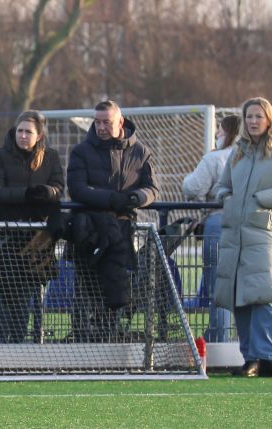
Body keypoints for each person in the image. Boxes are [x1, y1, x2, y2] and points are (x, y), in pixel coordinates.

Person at [214, 97, 272, 377]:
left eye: (259, 116)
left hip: (265, 233)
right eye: (249, 116)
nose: (253, 121)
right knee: (239, 294)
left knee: (264, 294)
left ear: (269, 119)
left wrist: (263, 199)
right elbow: (222, 185)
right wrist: (226, 198)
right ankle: (250, 359)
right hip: (235, 235)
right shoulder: (238, 151)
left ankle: (268, 357)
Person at [67, 100, 158, 342]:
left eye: (106, 122)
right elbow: (77, 189)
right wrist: (112, 199)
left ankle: (112, 336)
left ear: (120, 122)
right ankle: (83, 339)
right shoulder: (81, 151)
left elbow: (152, 189)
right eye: (97, 122)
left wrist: (136, 198)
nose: (101, 127)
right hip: (89, 233)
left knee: (120, 288)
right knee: (86, 290)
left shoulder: (141, 152)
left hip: (123, 232)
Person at [0, 110, 64, 343]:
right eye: (20, 131)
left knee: (25, 295)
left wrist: (48, 192)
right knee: (6, 294)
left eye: (28, 132)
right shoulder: (0, 155)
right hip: (6, 235)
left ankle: (18, 345)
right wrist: (26, 194)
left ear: (39, 136)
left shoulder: (51, 157)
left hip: (37, 238)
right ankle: (1, 345)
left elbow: (59, 187)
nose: (23, 135)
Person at [182, 114, 240, 342]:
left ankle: (219, 338)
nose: (216, 133)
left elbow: (193, 188)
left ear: (229, 132)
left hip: (219, 220)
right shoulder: (257, 157)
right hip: (251, 222)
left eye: (220, 129)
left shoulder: (215, 158)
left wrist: (187, 181)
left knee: (219, 284)